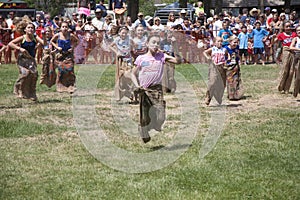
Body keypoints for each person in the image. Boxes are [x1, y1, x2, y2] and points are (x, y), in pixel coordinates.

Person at [131, 34, 181, 143]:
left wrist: (175, 45)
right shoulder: (141, 58)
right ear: (147, 44)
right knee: (145, 116)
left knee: (160, 115)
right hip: (143, 90)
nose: (156, 45)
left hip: (156, 90)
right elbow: (133, 74)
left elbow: (178, 61)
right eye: (153, 42)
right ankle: (144, 129)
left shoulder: (162, 56)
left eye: (158, 43)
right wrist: (136, 85)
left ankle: (155, 125)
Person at [8, 21, 44, 101]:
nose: (30, 29)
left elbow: (44, 43)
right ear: (25, 30)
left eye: (32, 28)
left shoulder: (35, 37)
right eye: (29, 27)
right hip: (22, 59)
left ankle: (32, 92)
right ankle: (19, 89)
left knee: (34, 75)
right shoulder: (23, 37)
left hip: (31, 59)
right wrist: (20, 48)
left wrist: (43, 38)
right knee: (25, 74)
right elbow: (10, 44)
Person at [50, 21, 78, 93]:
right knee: (61, 70)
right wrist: (57, 47)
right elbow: (51, 41)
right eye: (63, 27)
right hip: (60, 54)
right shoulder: (58, 35)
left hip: (68, 54)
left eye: (66, 27)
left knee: (70, 69)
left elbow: (77, 41)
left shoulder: (70, 35)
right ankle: (60, 86)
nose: (65, 28)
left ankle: (71, 85)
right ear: (60, 28)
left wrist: (72, 47)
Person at [110, 26, 135, 102]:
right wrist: (116, 52)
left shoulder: (129, 39)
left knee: (128, 75)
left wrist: (131, 49)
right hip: (120, 59)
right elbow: (110, 46)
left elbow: (134, 45)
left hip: (128, 59)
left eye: (125, 33)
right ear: (119, 33)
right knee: (119, 76)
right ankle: (119, 95)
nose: (124, 34)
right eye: (122, 33)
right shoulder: (117, 39)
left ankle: (129, 93)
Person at [203, 37, 227, 105]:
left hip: (222, 67)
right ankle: (208, 97)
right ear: (214, 43)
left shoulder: (224, 50)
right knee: (212, 82)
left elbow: (227, 55)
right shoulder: (213, 49)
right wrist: (208, 57)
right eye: (218, 41)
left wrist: (227, 60)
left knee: (222, 84)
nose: (220, 43)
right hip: (214, 67)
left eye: (221, 41)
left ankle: (218, 96)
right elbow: (205, 52)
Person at [277, 22, 297, 94]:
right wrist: (278, 55)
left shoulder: (294, 35)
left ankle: (287, 88)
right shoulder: (281, 35)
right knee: (285, 69)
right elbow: (278, 45)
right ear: (284, 28)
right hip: (285, 51)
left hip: (293, 52)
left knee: (291, 71)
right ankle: (280, 86)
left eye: (289, 26)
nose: (288, 28)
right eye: (287, 26)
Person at [224, 35, 243, 100]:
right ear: (230, 42)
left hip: (235, 66)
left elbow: (238, 55)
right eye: (234, 42)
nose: (236, 44)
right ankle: (230, 95)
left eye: (237, 42)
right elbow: (224, 57)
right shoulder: (226, 48)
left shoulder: (237, 48)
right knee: (230, 81)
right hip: (229, 67)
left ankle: (236, 94)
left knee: (236, 80)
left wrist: (239, 61)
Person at [289, 26, 300, 97]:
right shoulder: (296, 39)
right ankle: (296, 90)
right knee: (298, 76)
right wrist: (298, 49)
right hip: (298, 57)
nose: (299, 32)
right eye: (298, 31)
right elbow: (291, 47)